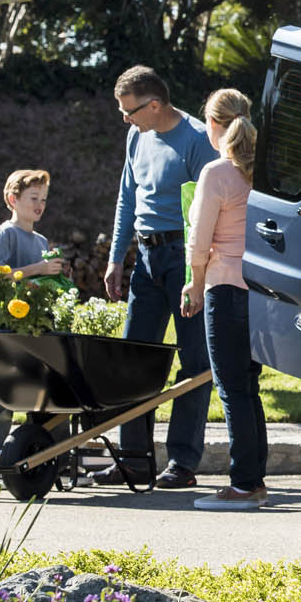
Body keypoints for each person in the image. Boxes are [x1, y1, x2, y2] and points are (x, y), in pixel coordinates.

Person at [99, 65, 217, 488]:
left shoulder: (198, 140)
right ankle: (134, 460)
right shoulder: (137, 136)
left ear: (154, 104)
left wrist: (197, 277)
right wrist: (116, 259)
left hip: (185, 257)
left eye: (128, 110)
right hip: (146, 258)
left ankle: (182, 463)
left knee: (193, 362)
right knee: (134, 358)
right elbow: (126, 199)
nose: (124, 119)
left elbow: (212, 212)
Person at [183, 89, 268, 510]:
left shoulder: (217, 172)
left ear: (214, 125)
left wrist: (195, 284)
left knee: (232, 388)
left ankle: (244, 485)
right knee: (249, 387)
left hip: (224, 287)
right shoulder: (263, 171)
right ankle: (255, 480)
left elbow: (199, 241)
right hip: (260, 290)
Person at [0, 169, 64, 467]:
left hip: (34, 329)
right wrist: (37, 270)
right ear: (12, 200)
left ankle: (47, 461)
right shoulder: (5, 234)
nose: (40, 205)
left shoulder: (40, 240)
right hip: (6, 328)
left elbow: (38, 285)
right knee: (4, 399)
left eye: (44, 199)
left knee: (43, 397)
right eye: (33, 198)